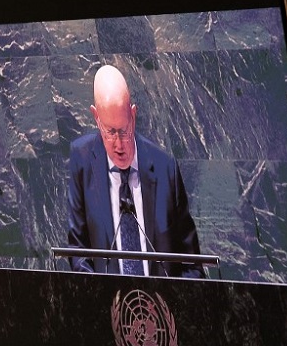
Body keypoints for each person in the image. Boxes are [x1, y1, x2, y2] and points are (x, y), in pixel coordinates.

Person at [67, 64, 203, 277]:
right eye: (110, 132)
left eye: (124, 130)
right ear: (96, 117)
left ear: (133, 114)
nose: (119, 145)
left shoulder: (166, 167)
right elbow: (78, 251)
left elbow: (192, 264)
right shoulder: (82, 160)